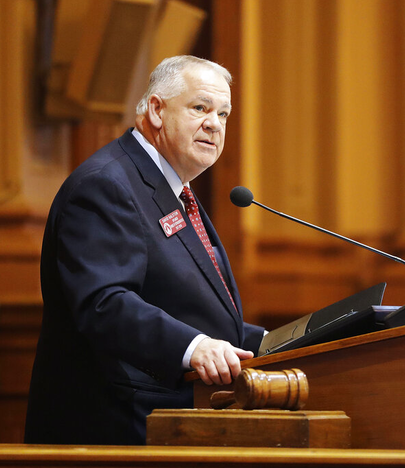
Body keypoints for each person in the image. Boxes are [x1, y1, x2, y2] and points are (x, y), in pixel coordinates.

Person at [24, 55, 265, 445]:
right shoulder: (106, 185)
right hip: (114, 430)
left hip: (170, 422)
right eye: (200, 108)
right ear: (156, 110)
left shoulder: (171, 187)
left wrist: (272, 341)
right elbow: (104, 302)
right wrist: (195, 347)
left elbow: (181, 304)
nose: (214, 125)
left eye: (223, 114)